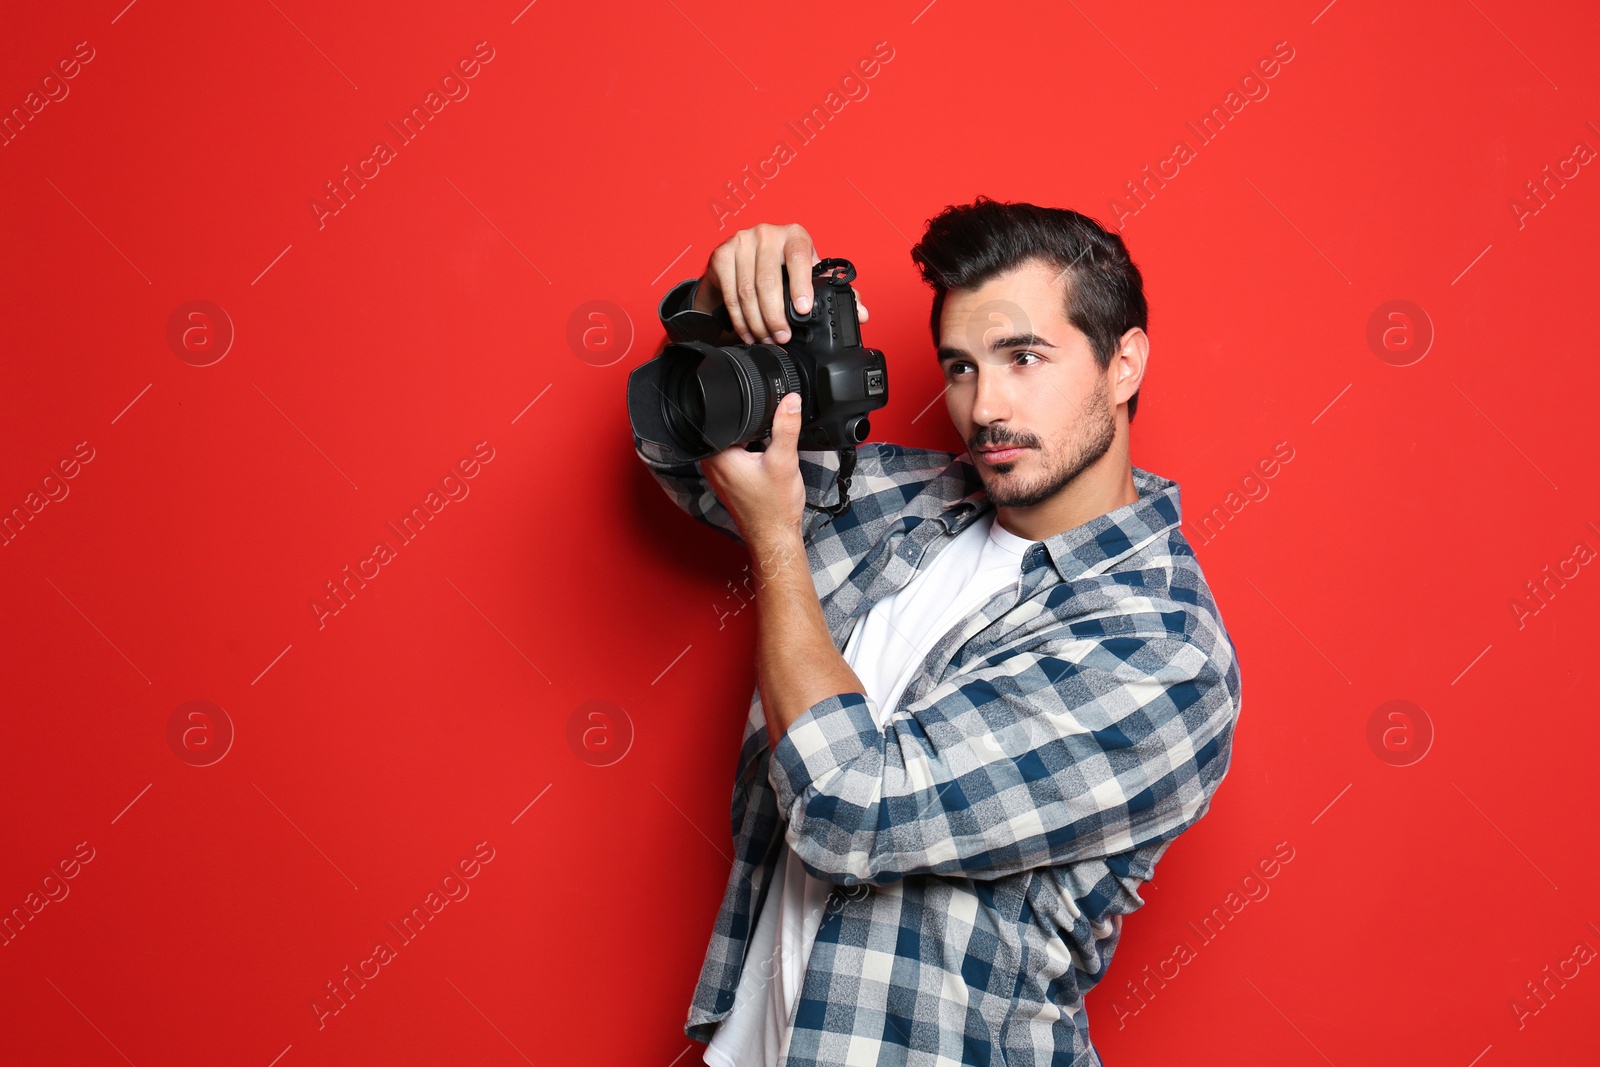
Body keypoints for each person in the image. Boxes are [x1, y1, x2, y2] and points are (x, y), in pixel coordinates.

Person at [631, 196, 1242, 1066]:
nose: (985, 405)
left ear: (1124, 362)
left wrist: (776, 541)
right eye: (960, 366)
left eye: (1024, 356)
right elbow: (686, 458)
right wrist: (720, 307)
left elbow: (849, 809)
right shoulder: (909, 501)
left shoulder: (1164, 650)